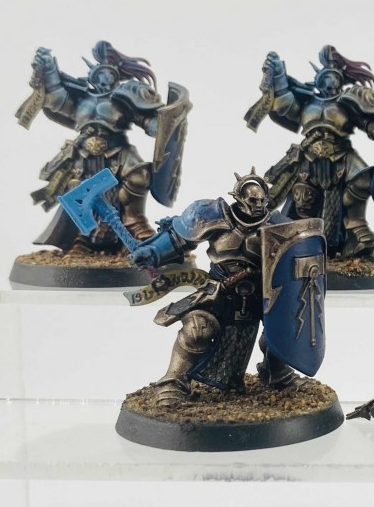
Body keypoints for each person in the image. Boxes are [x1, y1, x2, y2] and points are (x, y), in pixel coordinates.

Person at [128, 170, 327, 408]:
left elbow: (296, 254)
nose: (258, 205)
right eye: (253, 200)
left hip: (260, 295)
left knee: (281, 329)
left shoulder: (279, 226)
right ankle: (173, 382)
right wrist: (152, 251)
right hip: (219, 292)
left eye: (262, 201)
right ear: (239, 198)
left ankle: (277, 373)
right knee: (197, 330)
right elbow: (177, 238)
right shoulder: (212, 215)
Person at [16, 40, 188, 255]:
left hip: (118, 150)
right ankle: (82, 236)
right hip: (83, 153)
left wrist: (162, 124)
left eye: (109, 76)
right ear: (92, 76)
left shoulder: (125, 97)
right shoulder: (81, 100)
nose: (105, 80)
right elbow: (56, 99)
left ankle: (136, 224)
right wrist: (49, 68)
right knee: (78, 188)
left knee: (139, 177)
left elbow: (147, 121)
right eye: (101, 75)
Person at [245, 44, 374, 259]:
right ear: (318, 80)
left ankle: (357, 234)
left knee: (359, 185)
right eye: (326, 78)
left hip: (341, 156)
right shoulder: (307, 103)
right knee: (303, 199)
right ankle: (301, 244)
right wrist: (278, 75)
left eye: (334, 78)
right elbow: (285, 106)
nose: (330, 83)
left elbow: (369, 123)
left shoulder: (348, 101)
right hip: (308, 159)